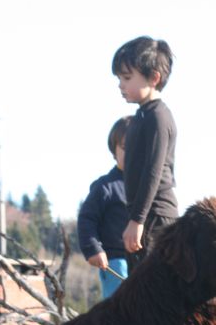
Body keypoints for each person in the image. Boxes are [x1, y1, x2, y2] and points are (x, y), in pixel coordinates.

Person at [111, 36, 179, 266]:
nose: (121, 84)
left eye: (127, 78)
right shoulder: (140, 116)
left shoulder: (158, 117)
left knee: (153, 292)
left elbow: (153, 171)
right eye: (119, 78)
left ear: (154, 78)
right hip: (142, 215)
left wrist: (137, 221)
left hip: (157, 217)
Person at [77, 116, 132, 300]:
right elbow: (86, 219)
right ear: (114, 149)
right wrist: (94, 249)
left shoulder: (147, 188)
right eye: (124, 148)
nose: (130, 153)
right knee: (120, 313)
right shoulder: (105, 186)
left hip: (144, 263)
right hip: (115, 263)